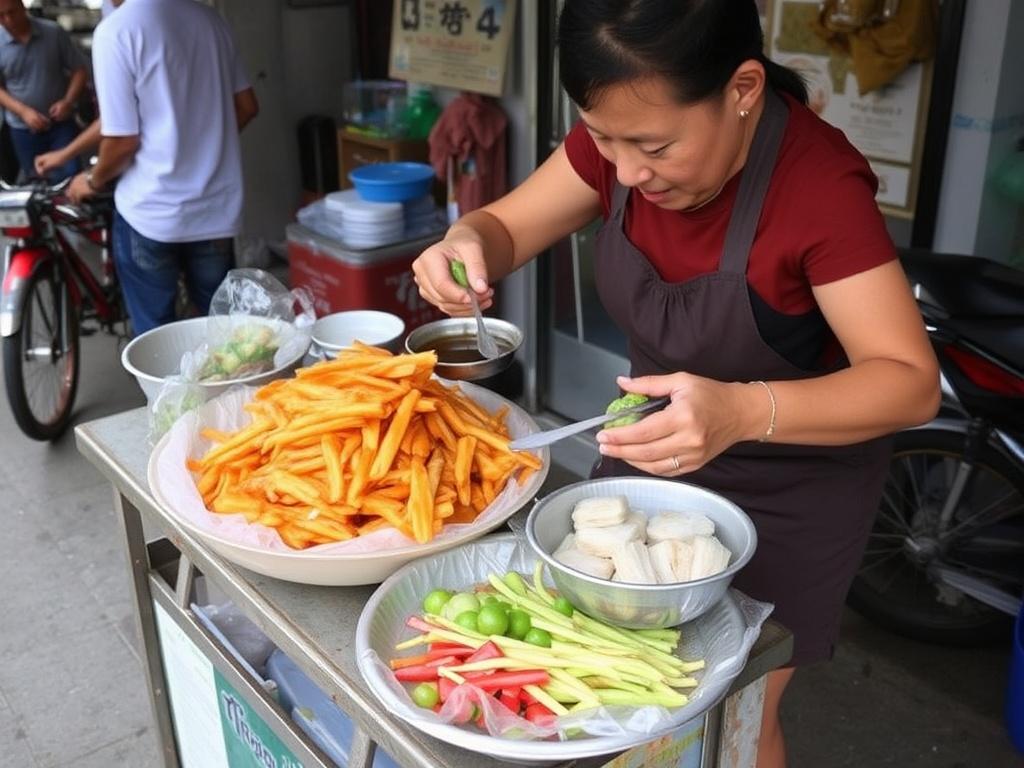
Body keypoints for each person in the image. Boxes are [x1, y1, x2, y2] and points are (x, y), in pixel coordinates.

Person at [411, 1, 940, 765]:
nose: (625, 172)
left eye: (654, 145)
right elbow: (505, 227)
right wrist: (468, 238)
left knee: (735, 714)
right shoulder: (622, 142)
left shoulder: (819, 188)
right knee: (614, 697)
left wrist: (742, 410)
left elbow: (909, 383)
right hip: (648, 453)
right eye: (601, 138)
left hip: (792, 483)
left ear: (744, 89)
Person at [67, 0, 259, 336]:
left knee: (156, 341)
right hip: (215, 211)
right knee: (225, 338)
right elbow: (246, 107)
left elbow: (122, 140)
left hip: (150, 213)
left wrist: (91, 181)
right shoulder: (212, 22)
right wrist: (202, 147)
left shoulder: (116, 31)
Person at [0, 0, 88, 181]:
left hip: (61, 124)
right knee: (37, 182)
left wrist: (68, 101)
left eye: (12, 12)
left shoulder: (53, 33)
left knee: (69, 179)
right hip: (22, 128)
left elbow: (79, 70)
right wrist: (23, 112)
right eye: (1, 16)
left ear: (23, 7)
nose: (8, 20)